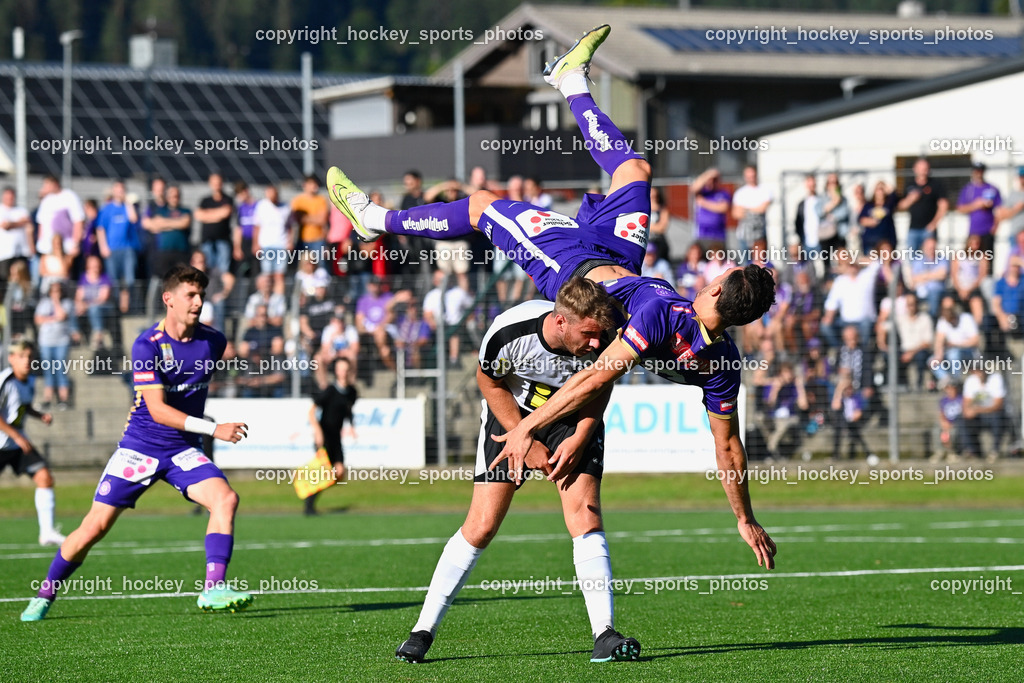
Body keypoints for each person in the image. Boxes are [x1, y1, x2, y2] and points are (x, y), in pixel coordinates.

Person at [327, 24, 777, 569]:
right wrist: (744, 516)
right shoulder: (723, 362)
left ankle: (374, 219)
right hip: (620, 257)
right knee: (635, 169)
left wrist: (525, 429)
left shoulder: (660, 314)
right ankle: (570, 81)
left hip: (574, 268)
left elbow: (592, 379)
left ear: (715, 287)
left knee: (481, 206)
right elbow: (728, 450)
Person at [396, 278, 641, 664]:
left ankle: (604, 633)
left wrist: (580, 436)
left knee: (586, 515)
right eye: (588, 334)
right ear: (561, 322)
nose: (596, 343)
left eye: (600, 336)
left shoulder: (608, 336)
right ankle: (422, 630)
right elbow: (488, 380)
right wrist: (522, 437)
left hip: (574, 419)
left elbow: (602, 384)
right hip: (512, 415)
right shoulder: (509, 333)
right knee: (481, 525)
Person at [21, 265, 252, 621]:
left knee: (226, 499)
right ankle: (44, 595)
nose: (198, 301)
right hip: (140, 448)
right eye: (190, 294)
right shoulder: (147, 345)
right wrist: (213, 429)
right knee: (93, 529)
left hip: (182, 450)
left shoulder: (214, 341)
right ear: (168, 299)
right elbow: (157, 410)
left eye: (201, 295)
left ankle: (213, 588)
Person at [0, 341, 63, 546]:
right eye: (21, 356)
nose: (26, 361)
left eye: (29, 356)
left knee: (44, 478)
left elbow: (21, 406)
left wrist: (39, 415)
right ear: (11, 358)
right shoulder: (5, 380)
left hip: (18, 444)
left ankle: (47, 533)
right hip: (5, 442)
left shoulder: (29, 380)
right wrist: (16, 436)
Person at [305, 357, 357, 516]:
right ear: (336, 371)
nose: (343, 372)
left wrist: (352, 427)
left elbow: (348, 411)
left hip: (336, 438)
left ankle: (311, 495)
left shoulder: (352, 392)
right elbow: (312, 411)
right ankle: (309, 505)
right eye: (340, 369)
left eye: (346, 369)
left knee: (339, 473)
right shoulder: (330, 391)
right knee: (325, 472)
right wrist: (317, 431)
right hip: (324, 436)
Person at [95, 180, 140, 315]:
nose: (120, 193)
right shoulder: (107, 209)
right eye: (117, 190)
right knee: (113, 280)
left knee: (129, 279)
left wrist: (127, 202)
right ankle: (115, 307)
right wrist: (103, 247)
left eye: (122, 190)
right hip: (112, 249)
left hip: (127, 248)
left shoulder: (127, 207)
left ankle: (128, 306)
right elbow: (100, 228)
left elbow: (133, 219)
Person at [34, 280, 76, 409]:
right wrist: (52, 318)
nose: (55, 293)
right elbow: (38, 319)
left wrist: (56, 302)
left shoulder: (67, 303)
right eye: (53, 291)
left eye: (58, 291)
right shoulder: (44, 303)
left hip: (61, 341)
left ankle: (63, 400)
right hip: (46, 341)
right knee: (48, 371)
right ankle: (47, 399)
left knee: (60, 370)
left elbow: (62, 316)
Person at [898, 158, 948, 253]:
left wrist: (934, 224)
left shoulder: (935, 185)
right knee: (912, 257)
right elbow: (901, 206)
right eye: (921, 168)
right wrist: (910, 199)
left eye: (925, 168)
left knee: (929, 257)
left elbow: (943, 206)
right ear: (915, 169)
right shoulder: (909, 185)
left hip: (928, 229)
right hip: (913, 228)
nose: (923, 171)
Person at [252, 185, 292, 295]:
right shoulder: (261, 206)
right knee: (267, 275)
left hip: (281, 245)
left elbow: (289, 226)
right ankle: (266, 299)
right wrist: (255, 244)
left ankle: (279, 301)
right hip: (266, 245)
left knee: (279, 275)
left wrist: (289, 241)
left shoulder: (286, 207)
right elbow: (257, 226)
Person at [957, 161, 1001, 259]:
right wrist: (976, 205)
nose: (978, 173)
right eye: (976, 171)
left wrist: (995, 227)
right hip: (973, 231)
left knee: (988, 259)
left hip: (988, 230)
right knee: (971, 259)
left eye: (981, 171)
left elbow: (999, 210)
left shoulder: (992, 188)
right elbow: (960, 209)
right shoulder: (968, 189)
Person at [195, 173, 234, 274]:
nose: (216, 184)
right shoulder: (205, 201)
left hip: (223, 240)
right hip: (207, 240)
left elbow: (226, 212)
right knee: (207, 268)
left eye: (218, 182)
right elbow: (199, 215)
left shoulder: (228, 199)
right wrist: (218, 214)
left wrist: (208, 214)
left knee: (223, 270)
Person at [731, 165, 772, 255]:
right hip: (744, 235)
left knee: (760, 262)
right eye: (748, 176)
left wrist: (745, 209)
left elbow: (762, 209)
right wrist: (753, 209)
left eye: (752, 175)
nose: (751, 178)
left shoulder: (764, 190)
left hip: (759, 234)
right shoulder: (740, 193)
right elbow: (736, 213)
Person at [692, 167, 730, 246]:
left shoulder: (723, 193)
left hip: (718, 235)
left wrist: (703, 203)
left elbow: (723, 208)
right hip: (703, 234)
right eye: (710, 180)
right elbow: (694, 188)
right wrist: (708, 174)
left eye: (714, 180)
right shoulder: (703, 192)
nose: (711, 182)